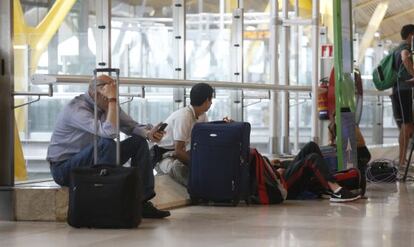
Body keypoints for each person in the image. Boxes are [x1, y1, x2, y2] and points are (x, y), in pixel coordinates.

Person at [46, 75, 170, 219]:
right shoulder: (76, 109)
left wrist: (148, 134)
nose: (113, 99)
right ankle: (107, 201)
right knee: (107, 143)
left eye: (114, 94)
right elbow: (109, 133)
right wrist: (111, 101)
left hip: (94, 158)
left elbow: (131, 126)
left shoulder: (106, 103)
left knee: (139, 142)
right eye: (110, 95)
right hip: (64, 168)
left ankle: (141, 202)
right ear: (95, 93)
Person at [154, 83, 214, 186]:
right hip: (164, 157)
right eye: (211, 99)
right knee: (179, 168)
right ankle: (202, 189)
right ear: (206, 100)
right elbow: (178, 151)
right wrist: (198, 164)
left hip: (182, 153)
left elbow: (204, 142)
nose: (211, 102)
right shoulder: (184, 117)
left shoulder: (202, 115)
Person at [273, 142, 361, 203]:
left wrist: (273, 165)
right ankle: (336, 191)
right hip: (280, 185)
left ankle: (327, 184)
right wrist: (275, 173)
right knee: (312, 158)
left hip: (277, 174)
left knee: (311, 146)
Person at [390, 24, 414, 169]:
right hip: (403, 90)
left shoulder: (396, 49)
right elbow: (405, 58)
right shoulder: (405, 48)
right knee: (407, 125)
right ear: (411, 35)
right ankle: (401, 160)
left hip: (397, 90)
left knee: (406, 125)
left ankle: (402, 159)